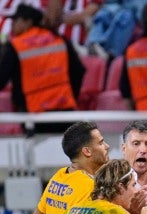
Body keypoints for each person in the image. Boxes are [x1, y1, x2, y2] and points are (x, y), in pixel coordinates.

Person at [0, 3, 85, 133]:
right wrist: (70, 96)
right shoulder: (58, 38)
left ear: (28, 22)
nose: (12, 25)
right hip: (64, 112)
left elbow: (1, 78)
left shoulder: (16, 45)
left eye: (16, 21)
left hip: (33, 116)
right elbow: (78, 71)